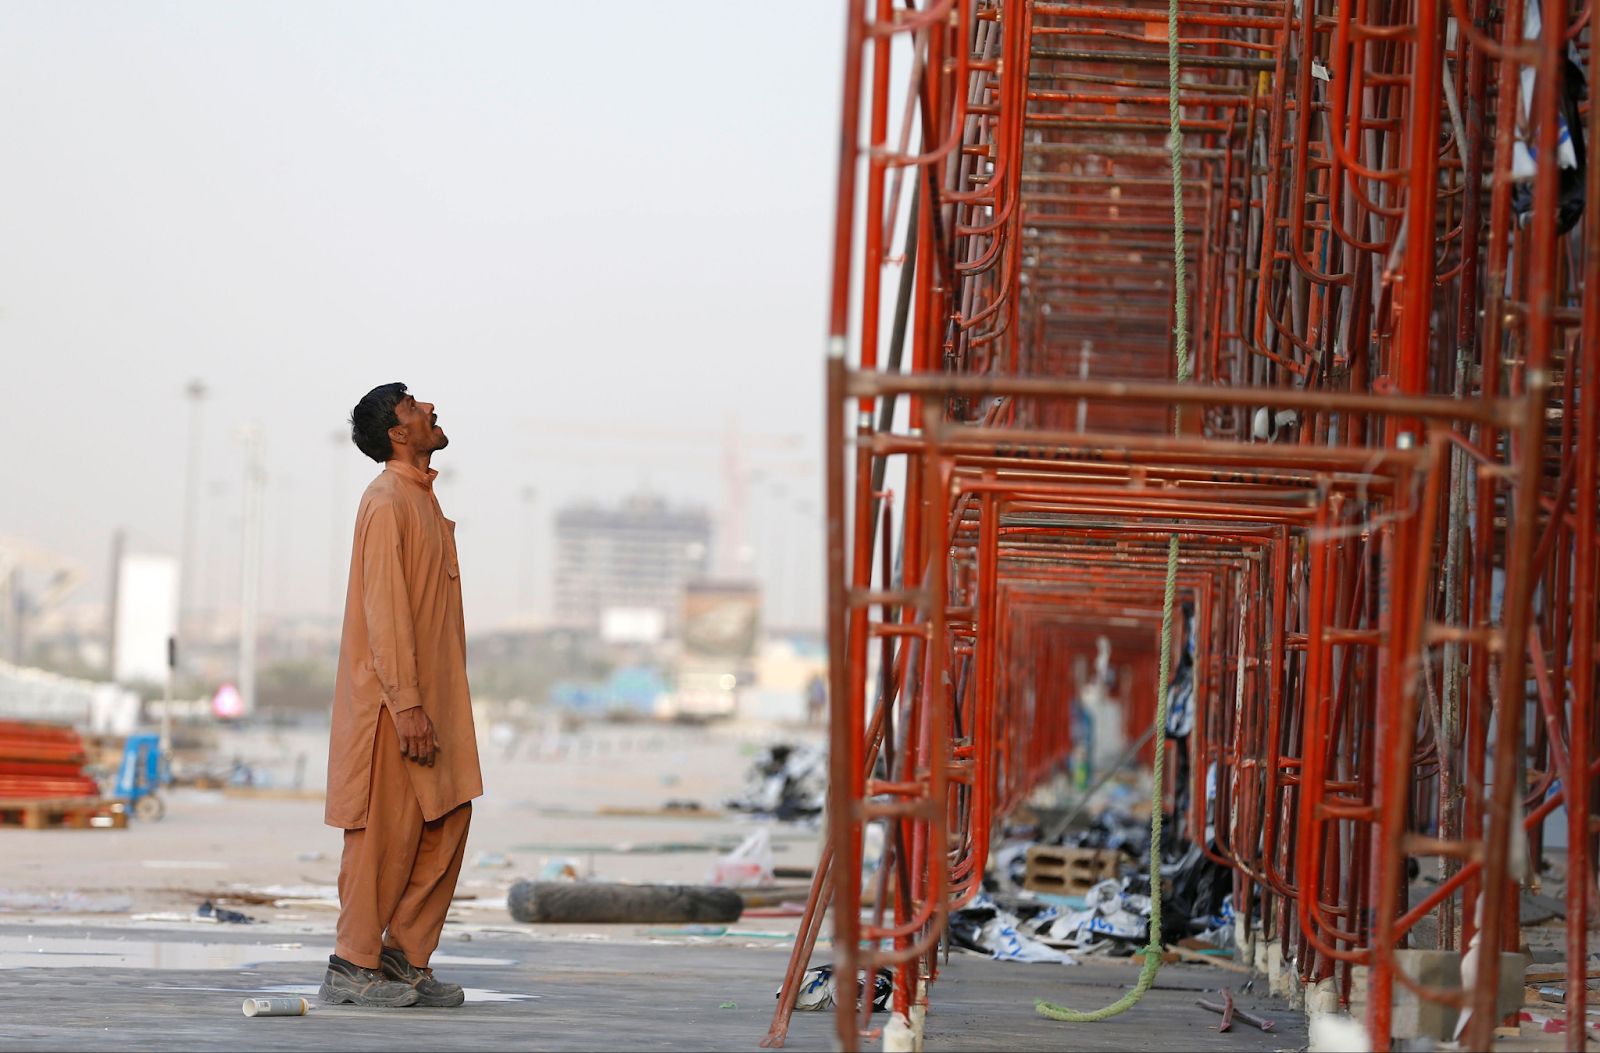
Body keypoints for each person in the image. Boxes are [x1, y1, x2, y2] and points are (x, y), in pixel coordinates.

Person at [318, 383, 484, 1009]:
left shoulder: (423, 501)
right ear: (397, 431)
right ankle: (351, 964)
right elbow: (384, 611)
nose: (432, 409)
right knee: (382, 831)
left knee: (448, 816)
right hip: (393, 705)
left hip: (437, 702)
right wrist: (406, 702)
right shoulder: (386, 500)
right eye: (415, 406)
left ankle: (404, 957)